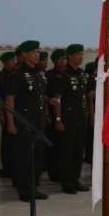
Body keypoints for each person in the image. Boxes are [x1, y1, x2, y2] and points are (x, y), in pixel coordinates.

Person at [6, 40, 49, 202]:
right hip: (24, 123)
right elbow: (9, 100)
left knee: (37, 157)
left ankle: (33, 187)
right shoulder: (18, 74)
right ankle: (24, 190)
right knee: (24, 158)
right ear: (24, 54)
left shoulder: (39, 73)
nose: (37, 55)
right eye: (34, 52)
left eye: (38, 52)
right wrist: (10, 123)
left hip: (38, 122)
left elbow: (40, 97)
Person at [48, 43, 90, 194]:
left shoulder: (81, 73)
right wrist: (58, 119)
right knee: (67, 152)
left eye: (82, 54)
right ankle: (67, 182)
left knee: (78, 152)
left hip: (80, 117)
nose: (81, 57)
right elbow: (57, 99)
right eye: (78, 54)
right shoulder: (63, 75)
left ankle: (75, 179)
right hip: (68, 118)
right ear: (70, 56)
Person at [0, 51, 16, 178]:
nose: (14, 63)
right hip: (5, 111)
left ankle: (15, 167)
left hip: (16, 111)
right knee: (7, 142)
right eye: (11, 61)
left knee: (16, 142)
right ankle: (7, 169)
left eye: (14, 60)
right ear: (5, 62)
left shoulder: (16, 75)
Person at [45, 48, 67, 182]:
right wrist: (56, 118)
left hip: (66, 115)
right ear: (54, 61)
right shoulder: (49, 75)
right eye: (60, 59)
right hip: (54, 115)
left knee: (64, 146)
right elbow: (51, 97)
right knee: (54, 146)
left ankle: (61, 172)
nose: (63, 62)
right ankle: (54, 173)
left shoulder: (67, 75)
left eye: (64, 59)